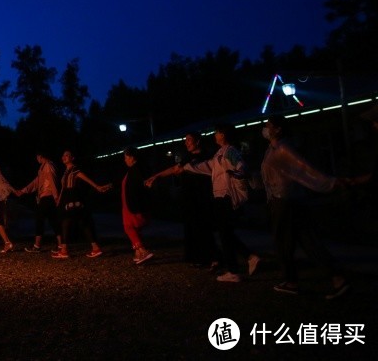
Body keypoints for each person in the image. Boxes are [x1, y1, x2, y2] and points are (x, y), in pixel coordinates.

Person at [260, 115, 353, 298]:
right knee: (307, 240)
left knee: (284, 242)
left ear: (278, 129)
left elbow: (305, 170)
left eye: (268, 125)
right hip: (286, 200)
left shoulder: (283, 148)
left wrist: (330, 183)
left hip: (284, 202)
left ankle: (291, 281)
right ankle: (337, 277)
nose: (265, 128)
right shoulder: (272, 148)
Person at [181, 124, 257, 282]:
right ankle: (248, 258)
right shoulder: (221, 153)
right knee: (226, 233)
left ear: (223, 135)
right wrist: (189, 167)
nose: (215, 135)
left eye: (217, 132)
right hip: (221, 197)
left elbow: (241, 167)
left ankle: (234, 270)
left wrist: (235, 175)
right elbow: (210, 168)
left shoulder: (229, 151)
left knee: (225, 234)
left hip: (225, 197)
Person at [145, 133, 219, 268]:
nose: (186, 143)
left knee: (204, 228)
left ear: (197, 141)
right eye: (185, 140)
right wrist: (156, 176)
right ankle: (199, 258)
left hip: (202, 197)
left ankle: (213, 258)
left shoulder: (206, 157)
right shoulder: (188, 158)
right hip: (189, 199)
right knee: (192, 229)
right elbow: (174, 169)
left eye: (189, 140)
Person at [52, 150, 112, 259]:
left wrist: (97, 187)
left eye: (67, 155)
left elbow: (86, 179)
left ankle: (64, 250)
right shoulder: (66, 172)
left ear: (72, 158)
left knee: (67, 222)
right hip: (66, 198)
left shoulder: (75, 170)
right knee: (82, 222)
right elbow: (62, 189)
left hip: (73, 198)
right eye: (63, 155)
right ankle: (95, 248)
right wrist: (59, 200)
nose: (64, 157)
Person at [16, 150, 63, 253]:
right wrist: (23, 191)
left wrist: (56, 198)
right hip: (47, 197)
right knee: (53, 221)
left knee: (40, 220)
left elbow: (53, 181)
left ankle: (37, 246)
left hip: (48, 197)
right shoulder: (43, 167)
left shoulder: (48, 166)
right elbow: (36, 182)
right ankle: (60, 245)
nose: (36, 159)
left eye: (37, 157)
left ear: (40, 156)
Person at [121, 147, 154, 264]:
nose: (125, 160)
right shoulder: (133, 170)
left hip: (133, 205)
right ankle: (138, 253)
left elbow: (141, 186)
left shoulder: (136, 170)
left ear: (132, 158)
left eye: (126, 157)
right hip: (130, 204)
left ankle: (143, 250)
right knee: (134, 229)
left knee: (129, 227)